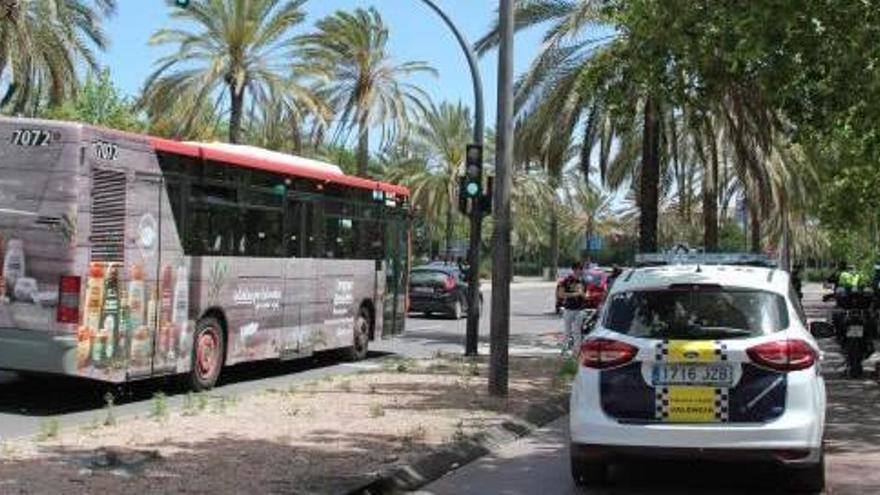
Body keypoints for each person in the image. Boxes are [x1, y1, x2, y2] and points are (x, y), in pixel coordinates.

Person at [557, 262, 588, 353]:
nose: (581, 271)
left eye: (582, 269)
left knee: (577, 331)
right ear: (574, 270)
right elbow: (561, 294)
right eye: (579, 269)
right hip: (568, 309)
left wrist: (582, 294)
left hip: (580, 309)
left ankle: (577, 351)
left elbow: (587, 296)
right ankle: (564, 349)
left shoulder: (583, 281)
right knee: (567, 331)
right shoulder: (566, 281)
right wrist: (574, 294)